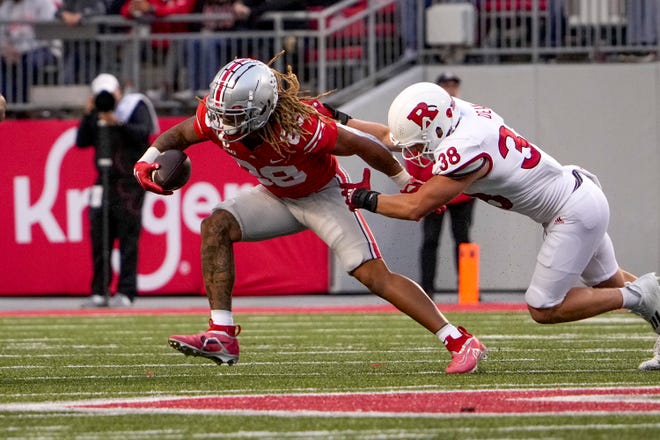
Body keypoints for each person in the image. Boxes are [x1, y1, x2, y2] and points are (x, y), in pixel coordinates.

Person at [133, 57, 487, 374]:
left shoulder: (302, 126)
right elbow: (179, 134)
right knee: (216, 225)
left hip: (323, 196)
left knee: (375, 276)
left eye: (235, 115)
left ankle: (459, 340)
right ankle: (222, 334)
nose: (223, 123)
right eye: (222, 112)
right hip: (277, 195)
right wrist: (147, 157)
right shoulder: (217, 118)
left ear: (261, 109)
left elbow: (366, 144)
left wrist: (405, 181)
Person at [340, 82, 660, 364]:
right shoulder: (458, 113)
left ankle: (640, 295)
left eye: (421, 144)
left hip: (573, 211)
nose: (415, 153)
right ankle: (646, 295)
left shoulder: (465, 149)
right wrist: (341, 119)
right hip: (578, 195)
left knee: (544, 306)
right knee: (609, 284)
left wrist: (363, 199)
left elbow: (416, 207)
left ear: (438, 128)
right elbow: (389, 137)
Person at [76, 73, 159, 308]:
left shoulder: (135, 106)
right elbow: (81, 141)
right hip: (103, 183)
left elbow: (143, 134)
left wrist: (116, 122)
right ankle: (99, 291)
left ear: (119, 93)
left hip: (129, 185)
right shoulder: (97, 115)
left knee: (127, 239)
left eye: (110, 95)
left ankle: (126, 292)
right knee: (99, 237)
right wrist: (89, 113)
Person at [409, 71, 475, 294]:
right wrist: (419, 186)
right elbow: (413, 150)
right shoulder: (425, 117)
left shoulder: (465, 115)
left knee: (463, 240)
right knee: (430, 241)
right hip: (433, 189)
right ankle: (427, 290)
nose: (451, 89)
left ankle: (467, 290)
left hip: (461, 191)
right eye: (446, 85)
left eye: (454, 85)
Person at [0, 0, 58, 103]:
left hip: (44, 49)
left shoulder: (42, 3)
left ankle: (22, 104)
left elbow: (49, 33)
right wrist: (6, 49)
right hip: (13, 52)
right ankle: (7, 104)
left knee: (28, 62)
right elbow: (2, 35)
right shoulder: (6, 6)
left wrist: (23, 50)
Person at [55, 0, 107, 84]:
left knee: (90, 80)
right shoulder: (69, 2)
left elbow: (100, 11)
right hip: (70, 48)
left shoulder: (95, 2)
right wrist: (64, 15)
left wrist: (81, 16)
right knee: (67, 78)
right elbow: (58, 13)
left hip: (90, 50)